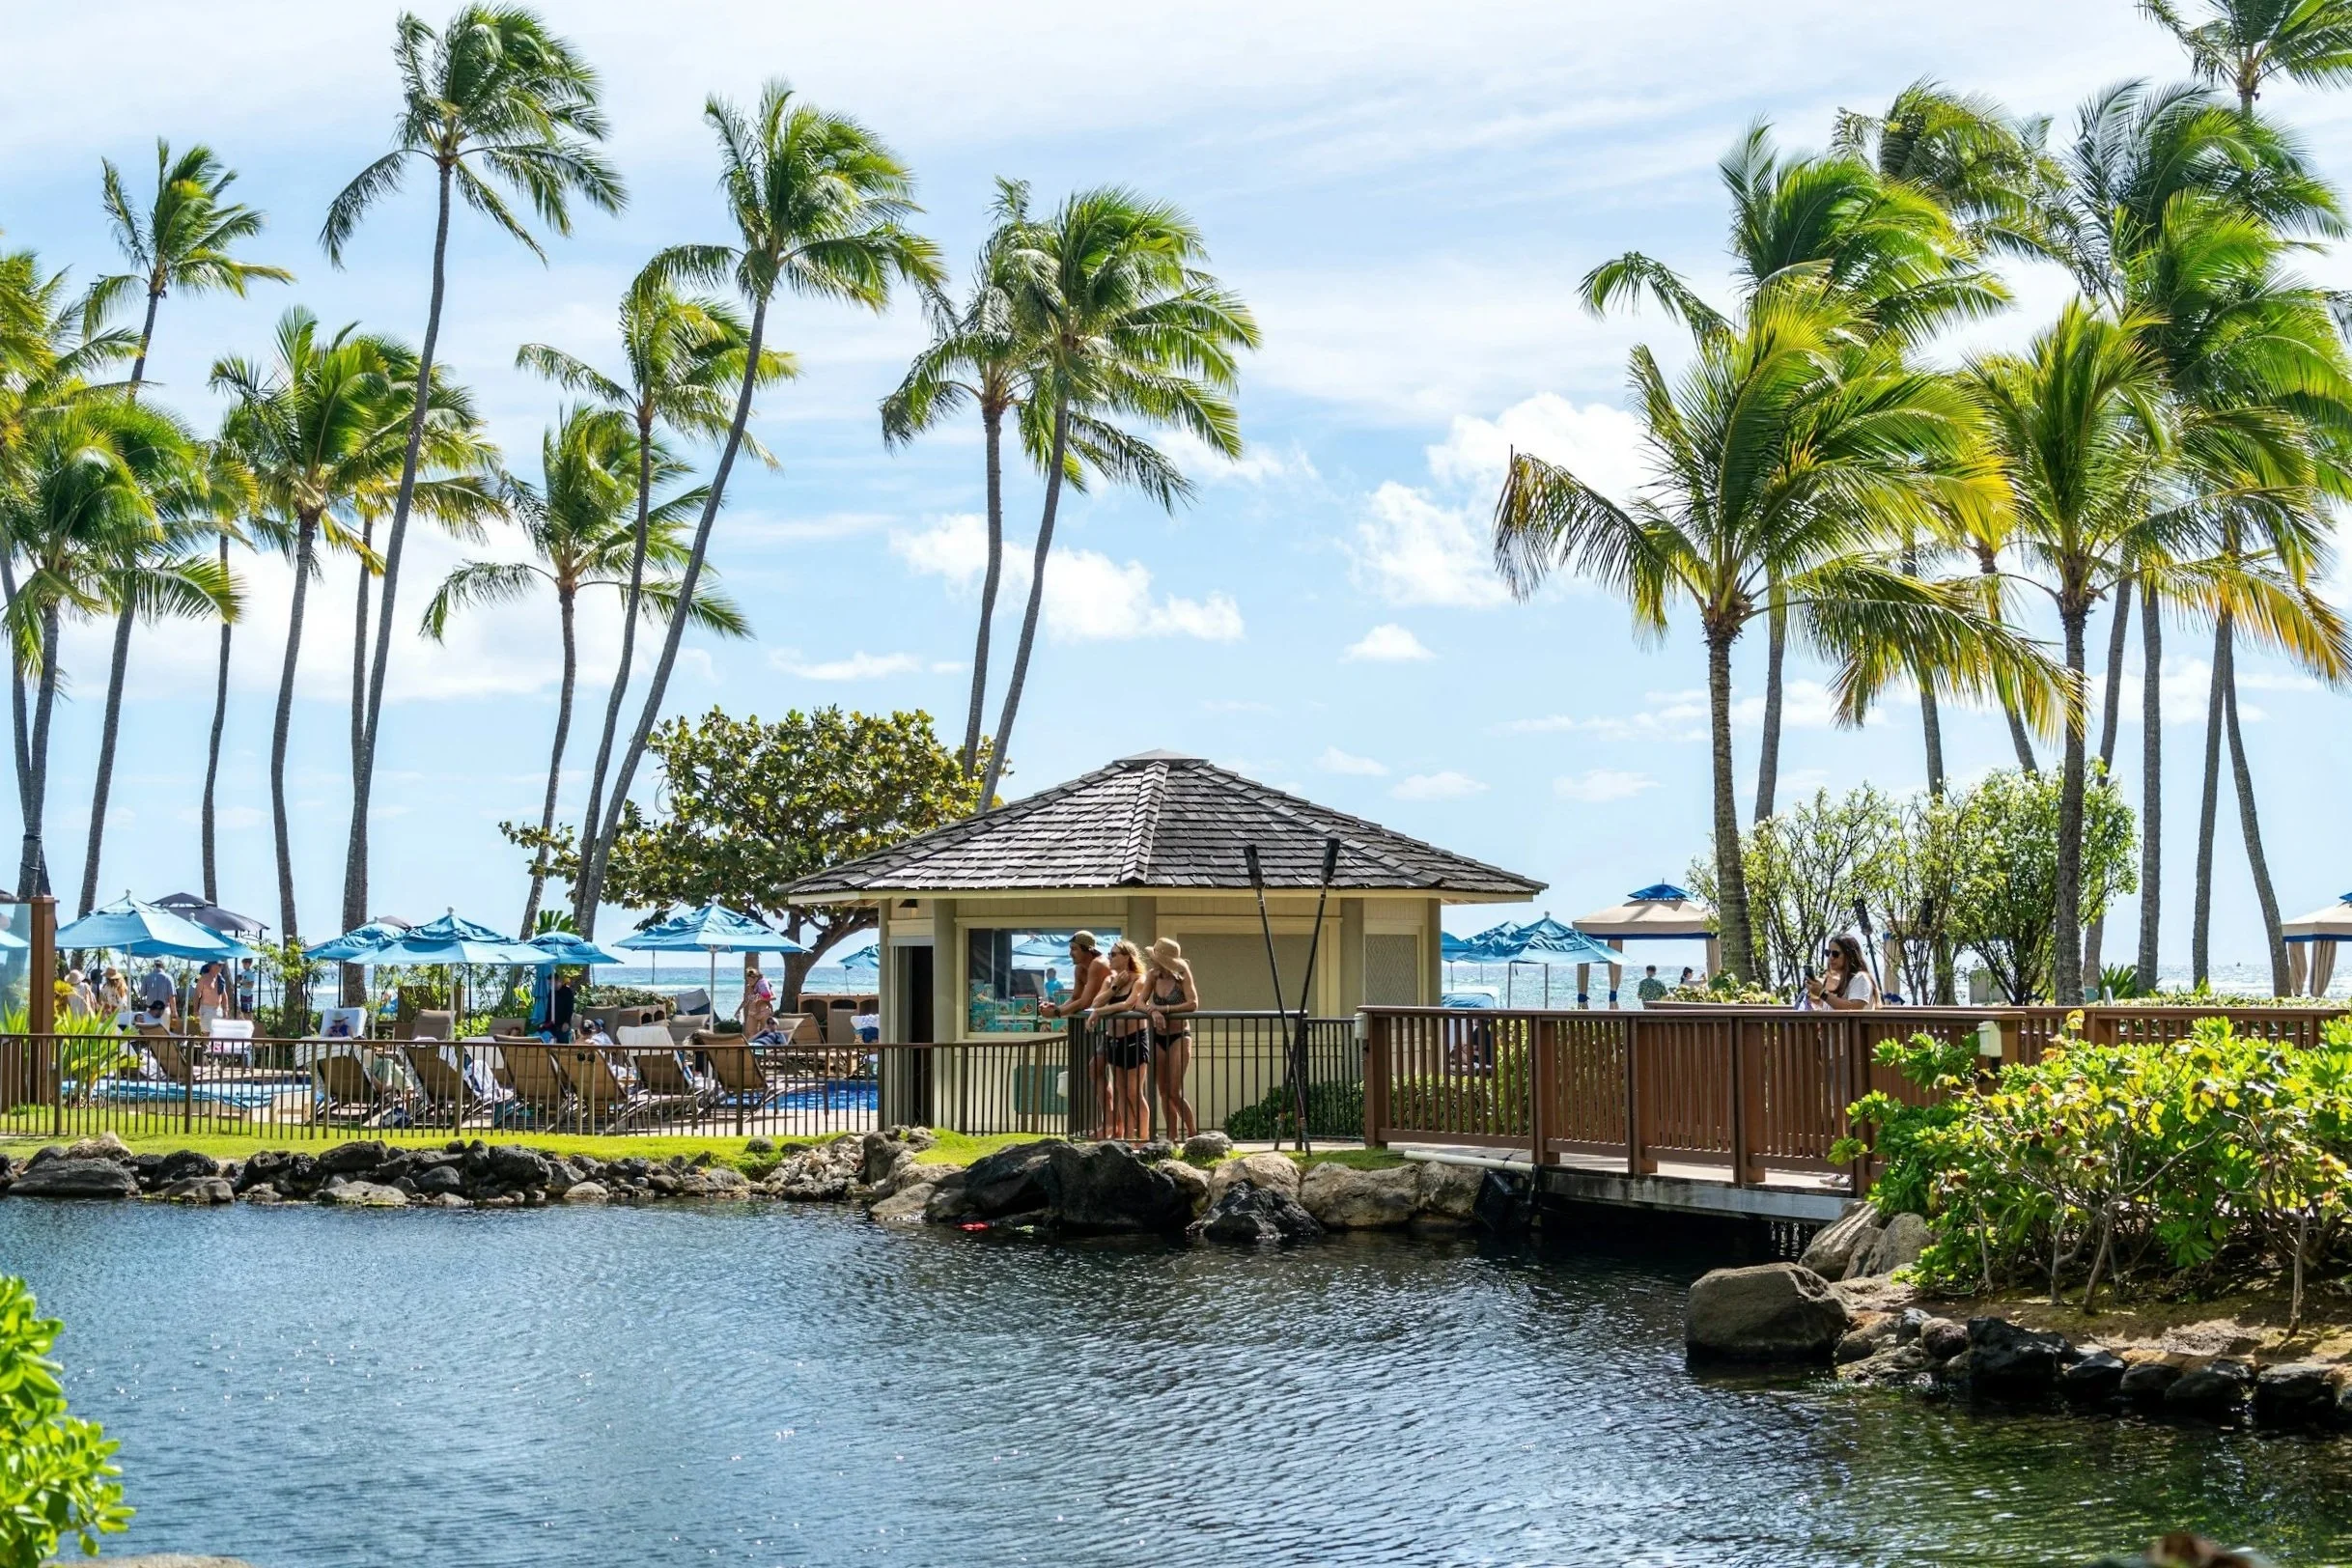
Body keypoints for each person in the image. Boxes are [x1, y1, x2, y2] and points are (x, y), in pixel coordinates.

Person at [1086, 939, 1152, 1141]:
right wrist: (1115, 987)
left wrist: (1099, 1012)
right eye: (1110, 953)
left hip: (1134, 1038)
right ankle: (1127, 1138)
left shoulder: (1140, 979)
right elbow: (1095, 1001)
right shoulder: (1111, 980)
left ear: (1127, 957)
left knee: (1134, 1091)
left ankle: (1143, 1137)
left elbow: (1129, 1005)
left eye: (1114, 954)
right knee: (1121, 1090)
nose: (1110, 957)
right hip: (1113, 1040)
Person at [1143, 938, 1199, 1141]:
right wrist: (1152, 1011)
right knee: (1163, 1091)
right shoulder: (1152, 975)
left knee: (1174, 1090)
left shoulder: (1182, 974)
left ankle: (1193, 1134)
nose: (1152, 962)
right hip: (1158, 1036)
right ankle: (1172, 1137)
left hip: (1179, 1036)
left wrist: (1165, 1009)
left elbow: (1193, 1004)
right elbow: (1140, 1002)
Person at [1805, 935, 1880, 1010]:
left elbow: (1854, 1008)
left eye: (1835, 954)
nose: (1830, 957)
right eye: (1828, 953)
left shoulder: (1860, 978)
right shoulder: (1836, 980)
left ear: (1849, 955)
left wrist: (1822, 993)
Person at [138, 960, 176, 1025]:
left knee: (150, 1032)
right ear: (163, 967)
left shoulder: (146, 977)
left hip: (150, 1010)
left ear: (154, 967)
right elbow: (171, 997)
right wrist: (174, 1012)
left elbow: (142, 994)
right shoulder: (168, 978)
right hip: (164, 1010)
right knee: (164, 1033)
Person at [742, 965, 774, 1039]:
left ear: (756, 978)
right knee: (750, 1033)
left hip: (764, 1011)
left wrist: (760, 999)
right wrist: (738, 1010)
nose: (749, 982)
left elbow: (772, 997)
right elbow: (746, 1000)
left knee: (766, 1033)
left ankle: (765, 1049)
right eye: (748, 980)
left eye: (751, 980)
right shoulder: (749, 987)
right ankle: (753, 1049)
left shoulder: (763, 985)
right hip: (752, 1012)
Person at [195, 962, 227, 1027]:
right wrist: (195, 1010)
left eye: (221, 965)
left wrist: (225, 1010)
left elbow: (224, 995)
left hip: (218, 1009)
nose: (221, 967)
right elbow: (197, 978)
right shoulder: (204, 967)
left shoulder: (221, 978)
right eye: (219, 965)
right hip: (206, 1008)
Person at [549, 975, 576, 1044]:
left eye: (551, 983)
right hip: (553, 1024)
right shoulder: (551, 993)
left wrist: (567, 1022)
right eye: (549, 984)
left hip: (564, 1023)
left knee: (563, 1044)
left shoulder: (567, 991)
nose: (550, 985)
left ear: (557, 981)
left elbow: (570, 1008)